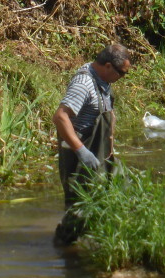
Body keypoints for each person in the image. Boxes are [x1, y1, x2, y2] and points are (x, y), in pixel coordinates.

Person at [51, 43, 131, 245]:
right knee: (79, 206)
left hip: (100, 149)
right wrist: (81, 151)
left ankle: (98, 241)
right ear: (107, 66)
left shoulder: (103, 81)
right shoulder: (84, 83)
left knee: (118, 190)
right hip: (80, 153)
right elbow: (61, 117)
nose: (123, 78)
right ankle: (63, 248)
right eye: (122, 73)